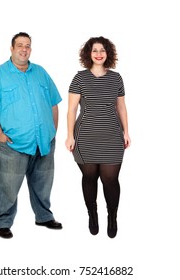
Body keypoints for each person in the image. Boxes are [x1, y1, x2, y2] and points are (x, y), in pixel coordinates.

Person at [0, 32, 62, 238]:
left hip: (43, 142)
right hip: (12, 145)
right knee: (8, 186)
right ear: (12, 49)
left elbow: (53, 102)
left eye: (28, 46)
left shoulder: (41, 73)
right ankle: (3, 221)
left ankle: (43, 216)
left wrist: (52, 132)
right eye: (20, 45)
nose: (24, 49)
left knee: (43, 183)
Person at [65, 36, 131, 238]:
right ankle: (92, 214)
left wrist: (126, 131)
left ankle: (112, 216)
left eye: (102, 50)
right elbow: (72, 109)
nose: (99, 54)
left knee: (110, 179)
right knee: (89, 177)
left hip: (112, 135)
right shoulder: (79, 78)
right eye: (95, 50)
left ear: (108, 53)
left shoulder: (116, 78)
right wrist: (69, 136)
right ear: (89, 54)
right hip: (85, 137)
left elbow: (121, 106)